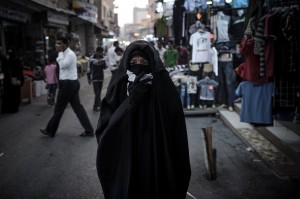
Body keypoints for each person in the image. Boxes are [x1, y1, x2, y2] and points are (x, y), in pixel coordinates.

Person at [95, 40, 191, 198]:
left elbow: (176, 128)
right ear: (127, 63)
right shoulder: (119, 84)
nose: (138, 65)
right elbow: (106, 126)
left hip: (156, 152)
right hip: (126, 151)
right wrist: (131, 102)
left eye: (143, 62)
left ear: (152, 63)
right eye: (133, 62)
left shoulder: (163, 86)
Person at [40, 37, 94, 137]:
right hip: (69, 84)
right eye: (56, 44)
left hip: (68, 85)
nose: (57, 46)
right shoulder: (64, 54)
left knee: (59, 108)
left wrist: (59, 54)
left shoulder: (69, 54)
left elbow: (63, 66)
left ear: (66, 44)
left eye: (59, 44)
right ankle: (89, 130)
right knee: (77, 108)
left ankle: (50, 130)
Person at [1, 48, 24, 113]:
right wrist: (20, 79)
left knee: (8, 95)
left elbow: (4, 69)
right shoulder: (15, 60)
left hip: (8, 81)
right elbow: (19, 71)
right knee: (14, 95)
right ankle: (13, 108)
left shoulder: (7, 61)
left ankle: (8, 108)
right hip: (14, 80)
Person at [87, 47, 107, 112]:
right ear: (96, 52)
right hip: (94, 78)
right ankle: (100, 106)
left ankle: (95, 106)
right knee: (97, 93)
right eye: (99, 52)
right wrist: (89, 78)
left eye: (101, 52)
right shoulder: (91, 58)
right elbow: (88, 69)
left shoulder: (103, 58)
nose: (100, 54)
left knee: (98, 94)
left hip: (101, 77)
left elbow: (105, 67)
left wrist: (102, 62)